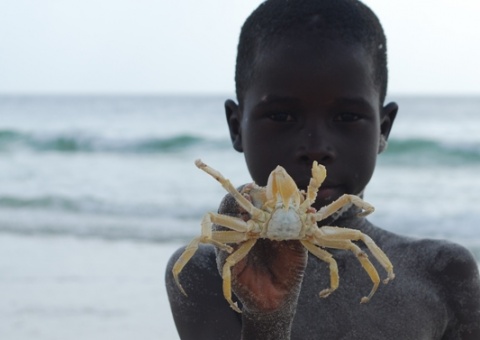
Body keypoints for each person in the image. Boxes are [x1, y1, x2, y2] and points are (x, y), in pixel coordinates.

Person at [165, 0, 480, 339]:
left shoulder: (444, 271)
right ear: (236, 126)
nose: (315, 147)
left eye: (346, 117)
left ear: (383, 129)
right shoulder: (203, 270)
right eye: (282, 116)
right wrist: (266, 318)